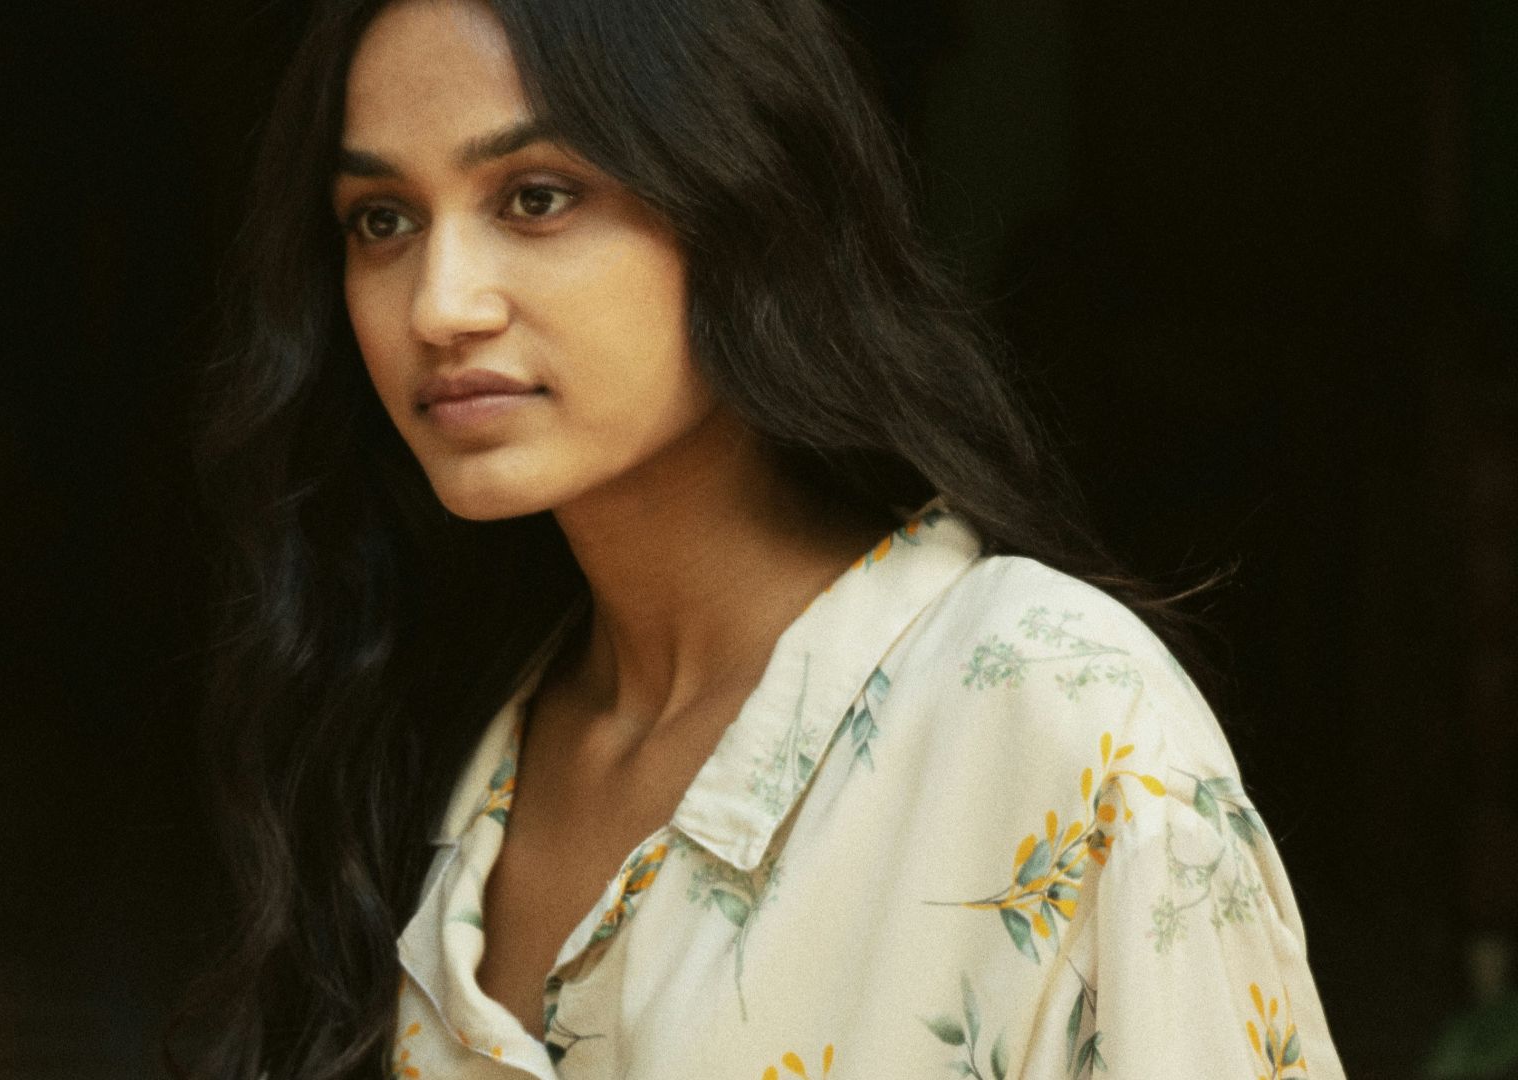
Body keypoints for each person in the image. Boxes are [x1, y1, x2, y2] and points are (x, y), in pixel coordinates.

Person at [178, 1, 1345, 1077]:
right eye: (381, 220)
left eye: (535, 197)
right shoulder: (418, 737)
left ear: (740, 201)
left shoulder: (1056, 716)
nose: (439, 304)